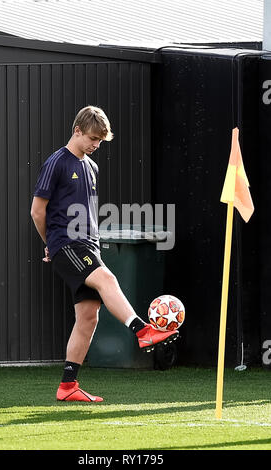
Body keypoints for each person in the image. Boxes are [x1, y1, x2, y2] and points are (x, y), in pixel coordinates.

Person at [31, 105, 178, 402]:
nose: (97, 145)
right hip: (67, 244)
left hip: (88, 244)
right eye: (93, 138)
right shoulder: (56, 163)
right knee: (107, 278)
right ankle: (142, 330)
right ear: (77, 131)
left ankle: (68, 386)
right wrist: (51, 242)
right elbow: (37, 211)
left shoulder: (92, 167)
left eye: (100, 140)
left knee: (88, 317)